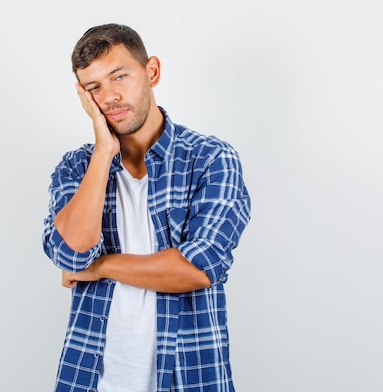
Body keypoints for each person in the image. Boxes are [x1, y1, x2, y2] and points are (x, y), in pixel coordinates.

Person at [42, 23, 252, 392]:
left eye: (119, 76)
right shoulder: (77, 168)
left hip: (189, 378)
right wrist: (104, 152)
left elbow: (199, 268)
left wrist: (102, 266)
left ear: (151, 71)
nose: (109, 97)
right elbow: (72, 253)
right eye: (94, 88)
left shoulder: (210, 160)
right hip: (90, 380)